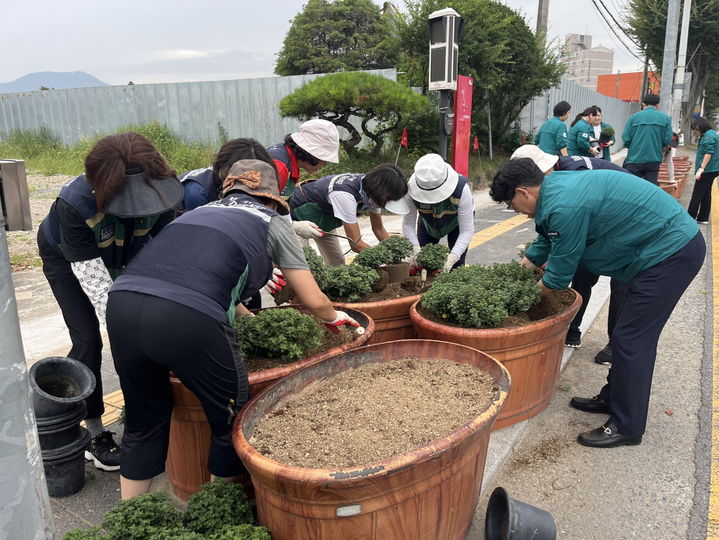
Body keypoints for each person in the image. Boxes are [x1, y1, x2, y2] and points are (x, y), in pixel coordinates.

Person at [106, 158, 361, 499]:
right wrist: (335, 318)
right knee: (232, 419)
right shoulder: (270, 220)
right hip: (186, 316)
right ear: (273, 198)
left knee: (143, 422)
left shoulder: (197, 213)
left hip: (122, 303)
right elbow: (313, 300)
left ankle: (129, 519)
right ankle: (214, 514)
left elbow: (206, 277)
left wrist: (249, 319)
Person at [490, 158, 704, 448]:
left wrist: (512, 304)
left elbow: (557, 277)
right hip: (654, 250)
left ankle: (627, 426)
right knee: (624, 334)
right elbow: (545, 243)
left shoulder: (564, 205)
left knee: (632, 340)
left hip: (669, 254)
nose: (513, 210)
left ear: (523, 192)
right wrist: (518, 272)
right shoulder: (556, 188)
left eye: (511, 204)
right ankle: (614, 397)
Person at [37, 132, 184, 471]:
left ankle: (141, 416)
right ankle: (95, 431)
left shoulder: (163, 186)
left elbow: (166, 256)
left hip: (128, 251)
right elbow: (100, 291)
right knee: (89, 337)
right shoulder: (74, 204)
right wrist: (136, 338)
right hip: (67, 258)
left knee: (153, 317)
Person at [510, 145, 629, 359]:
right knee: (582, 276)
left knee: (622, 285)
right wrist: (525, 267)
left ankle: (616, 344)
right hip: (595, 229)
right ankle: (572, 331)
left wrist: (519, 301)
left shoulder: (573, 177)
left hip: (623, 226)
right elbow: (550, 235)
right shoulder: (555, 178)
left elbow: (563, 241)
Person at [287, 164, 410, 265]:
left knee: (337, 262)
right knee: (302, 264)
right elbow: (356, 244)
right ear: (381, 192)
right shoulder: (345, 195)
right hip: (296, 219)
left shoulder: (371, 193)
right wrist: (385, 258)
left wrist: (395, 251)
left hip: (324, 220)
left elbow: (378, 229)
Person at [401, 154, 474, 273]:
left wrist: (451, 259)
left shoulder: (461, 189)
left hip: (456, 224)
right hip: (427, 223)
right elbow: (408, 224)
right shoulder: (411, 189)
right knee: (423, 265)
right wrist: (415, 249)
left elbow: (466, 230)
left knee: (456, 268)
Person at [266, 119, 341, 198]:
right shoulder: (279, 167)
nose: (325, 164)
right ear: (311, 154)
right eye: (324, 158)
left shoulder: (286, 155)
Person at [622, 93, 673, 185]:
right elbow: (667, 139)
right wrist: (659, 146)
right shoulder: (666, 118)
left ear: (643, 104)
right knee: (651, 188)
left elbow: (626, 138)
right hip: (654, 158)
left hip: (634, 158)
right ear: (657, 105)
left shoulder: (634, 117)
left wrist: (632, 146)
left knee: (632, 186)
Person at [687, 116, 719, 224]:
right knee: (706, 193)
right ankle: (703, 217)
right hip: (712, 169)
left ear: (700, 126)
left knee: (697, 194)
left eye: (695, 129)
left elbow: (708, 153)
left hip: (708, 169)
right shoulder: (709, 134)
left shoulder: (708, 136)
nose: (694, 131)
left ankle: (690, 217)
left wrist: (701, 168)